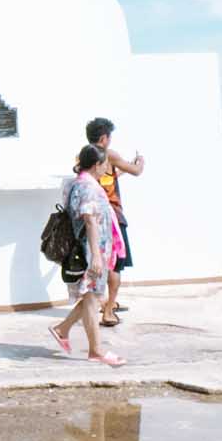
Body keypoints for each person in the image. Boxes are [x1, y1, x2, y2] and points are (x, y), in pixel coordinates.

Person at [49, 144, 125, 368]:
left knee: (92, 297)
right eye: (104, 165)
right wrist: (96, 256)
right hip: (91, 250)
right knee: (92, 299)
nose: (106, 170)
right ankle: (96, 350)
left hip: (90, 249)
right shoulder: (88, 187)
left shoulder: (77, 183)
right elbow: (89, 219)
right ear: (96, 165)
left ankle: (62, 329)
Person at [85, 115, 144, 331]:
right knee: (116, 264)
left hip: (93, 216)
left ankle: (103, 303)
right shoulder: (109, 154)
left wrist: (117, 173)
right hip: (113, 216)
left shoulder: (84, 156)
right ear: (104, 137)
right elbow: (136, 171)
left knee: (98, 260)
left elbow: (103, 177)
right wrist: (140, 162)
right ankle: (109, 310)